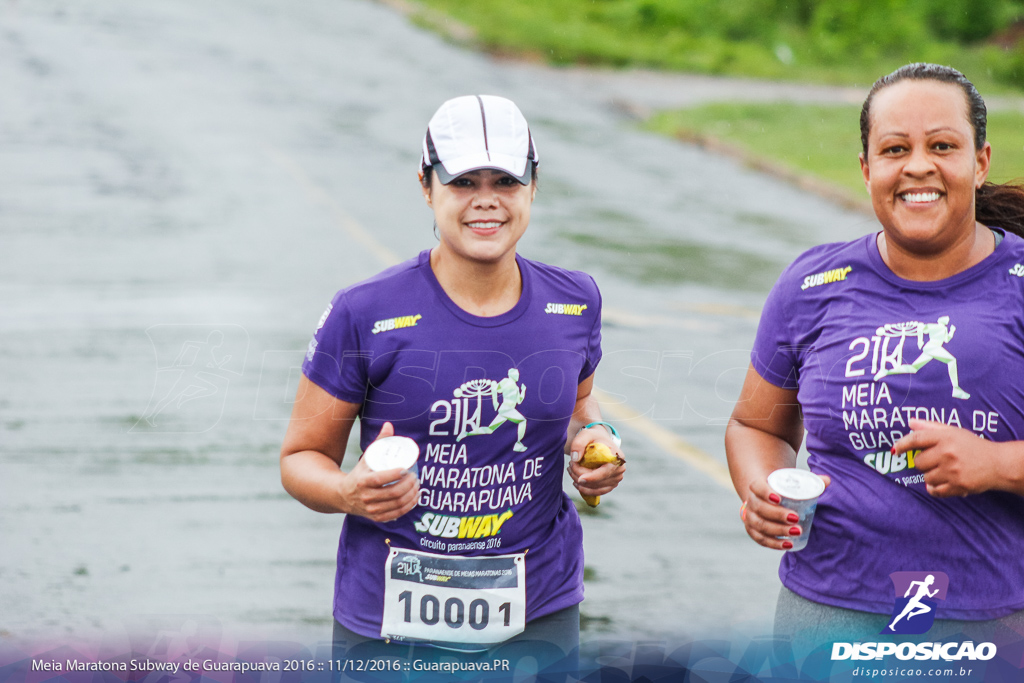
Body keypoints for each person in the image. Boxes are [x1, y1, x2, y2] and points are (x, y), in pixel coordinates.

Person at [279, 94, 625, 673]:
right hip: (390, 623)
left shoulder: (575, 301)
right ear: (426, 185)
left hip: (538, 609)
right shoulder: (365, 312)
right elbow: (301, 457)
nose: (486, 200)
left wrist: (597, 444)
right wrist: (347, 493)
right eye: (464, 181)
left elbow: (576, 411)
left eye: (506, 181)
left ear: (533, 186)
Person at [725, 63, 1024, 650]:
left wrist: (997, 464)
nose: (918, 165)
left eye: (942, 145)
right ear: (867, 169)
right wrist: (761, 488)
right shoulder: (812, 284)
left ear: (980, 161)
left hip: (993, 624)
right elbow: (754, 425)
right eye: (894, 149)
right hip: (828, 617)